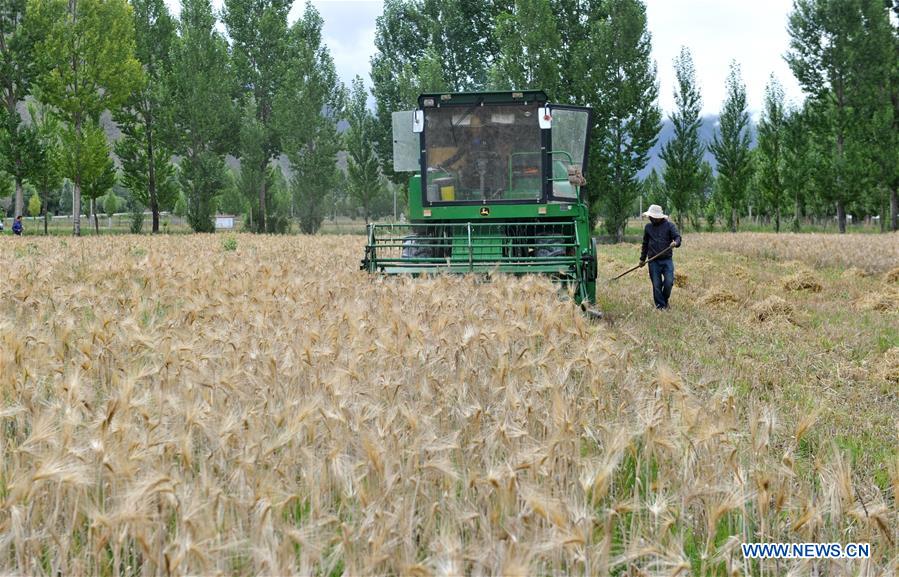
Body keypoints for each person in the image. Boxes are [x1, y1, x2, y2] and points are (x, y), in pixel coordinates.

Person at [638, 204, 681, 309]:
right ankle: (661, 307)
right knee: (656, 285)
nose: (650, 218)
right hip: (653, 261)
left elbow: (678, 237)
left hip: (666, 260)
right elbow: (645, 244)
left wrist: (675, 243)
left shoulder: (669, 226)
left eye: (652, 217)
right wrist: (642, 259)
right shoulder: (648, 228)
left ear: (658, 217)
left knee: (669, 282)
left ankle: (664, 301)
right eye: (650, 217)